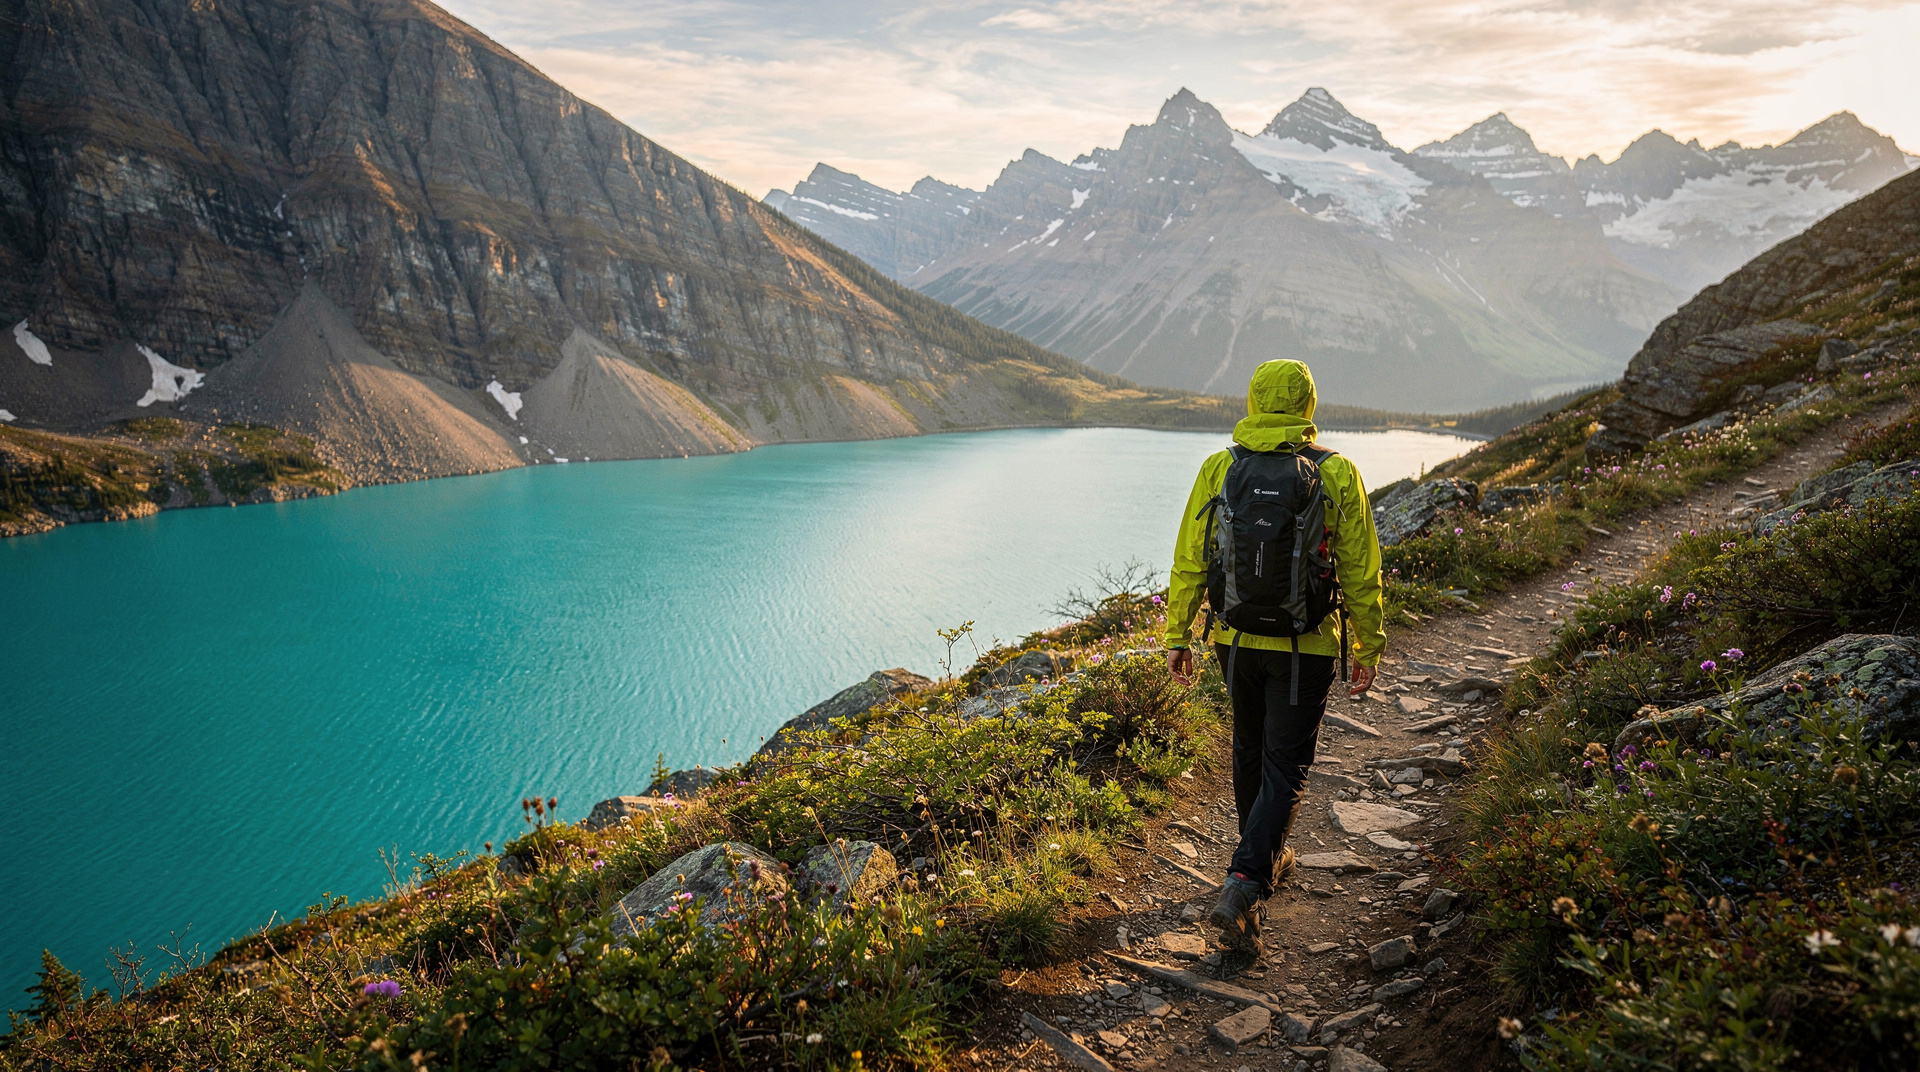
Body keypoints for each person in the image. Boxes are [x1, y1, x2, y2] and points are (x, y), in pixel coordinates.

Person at [1163, 359, 1386, 947]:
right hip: (1303, 645)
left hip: (1233, 640)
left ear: (1255, 400)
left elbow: (1192, 556)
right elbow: (1361, 567)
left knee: (1248, 748)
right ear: (1307, 406)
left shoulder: (1220, 467)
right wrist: (1368, 641)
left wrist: (1178, 635)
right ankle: (1246, 878)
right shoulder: (1335, 472)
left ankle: (1257, 857)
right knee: (1285, 763)